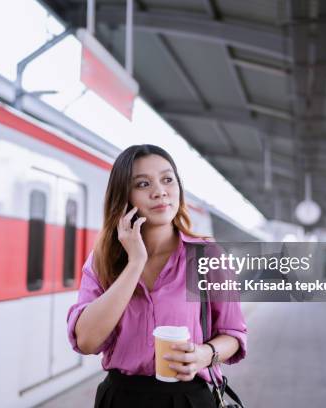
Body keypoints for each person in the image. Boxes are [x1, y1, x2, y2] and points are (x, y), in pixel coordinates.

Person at [66, 144, 247, 408]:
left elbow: (233, 334)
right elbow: (87, 341)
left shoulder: (208, 256)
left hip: (188, 399)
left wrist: (204, 355)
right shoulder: (102, 260)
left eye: (167, 179)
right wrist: (135, 263)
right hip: (120, 399)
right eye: (142, 184)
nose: (159, 191)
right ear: (124, 197)